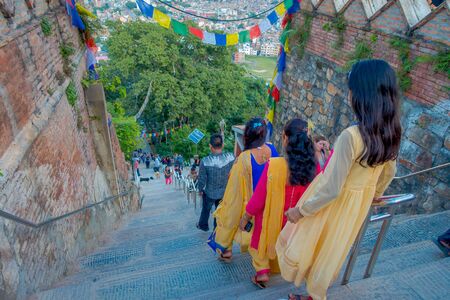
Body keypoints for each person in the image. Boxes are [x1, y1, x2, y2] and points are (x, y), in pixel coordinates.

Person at [276, 59, 402, 300]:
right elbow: (390, 171)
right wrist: (374, 193)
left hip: (332, 205)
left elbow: (332, 188)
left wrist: (301, 211)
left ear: (362, 95)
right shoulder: (392, 131)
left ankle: (315, 295)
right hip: (357, 205)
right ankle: (316, 294)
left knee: (313, 244)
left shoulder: (351, 136)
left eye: (352, 88)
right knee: (333, 249)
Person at [238, 119, 319, 288]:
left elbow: (259, 198)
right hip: (297, 219)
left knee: (260, 237)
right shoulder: (315, 167)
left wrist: (246, 216)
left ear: (285, 139)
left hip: (272, 218)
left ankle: (262, 272)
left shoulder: (274, 166)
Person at [213, 118, 279, 262]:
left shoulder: (244, 157)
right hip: (270, 201)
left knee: (229, 211)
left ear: (247, 136)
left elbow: (235, 189)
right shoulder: (273, 150)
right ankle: (264, 263)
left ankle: (226, 249)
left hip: (250, 203)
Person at [196, 134, 235, 232]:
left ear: (210, 146)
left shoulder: (205, 161)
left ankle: (203, 225)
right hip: (224, 192)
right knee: (220, 210)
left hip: (210, 192)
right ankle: (216, 229)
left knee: (206, 209)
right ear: (222, 145)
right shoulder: (231, 157)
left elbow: (202, 178)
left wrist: (200, 190)